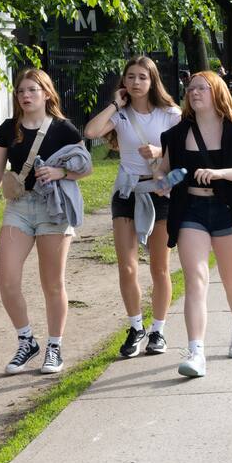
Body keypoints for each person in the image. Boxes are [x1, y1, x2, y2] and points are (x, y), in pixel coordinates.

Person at [0, 68, 91, 376]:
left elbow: (85, 166)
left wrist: (61, 172)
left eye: (32, 90)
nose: (25, 96)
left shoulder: (64, 128)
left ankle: (54, 346)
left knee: (52, 283)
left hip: (54, 208)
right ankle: (26, 340)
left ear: (46, 93)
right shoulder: (8, 128)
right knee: (7, 280)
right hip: (19, 207)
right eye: (21, 91)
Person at [159, 72, 232, 378]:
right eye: (190, 88)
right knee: (195, 279)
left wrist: (220, 174)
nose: (194, 93)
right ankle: (196, 352)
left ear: (216, 92)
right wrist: (164, 182)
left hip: (227, 210)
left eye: (201, 88)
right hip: (191, 210)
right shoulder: (177, 134)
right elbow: (161, 173)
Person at [83, 55, 182, 358]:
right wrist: (115, 104)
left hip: (160, 192)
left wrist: (160, 151)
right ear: (123, 82)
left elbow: (187, 149)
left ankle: (158, 330)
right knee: (127, 266)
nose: (136, 82)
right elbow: (91, 132)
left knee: (159, 267)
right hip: (127, 192)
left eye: (142, 77)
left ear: (153, 80)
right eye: (130, 77)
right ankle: (136, 327)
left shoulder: (170, 114)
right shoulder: (120, 115)